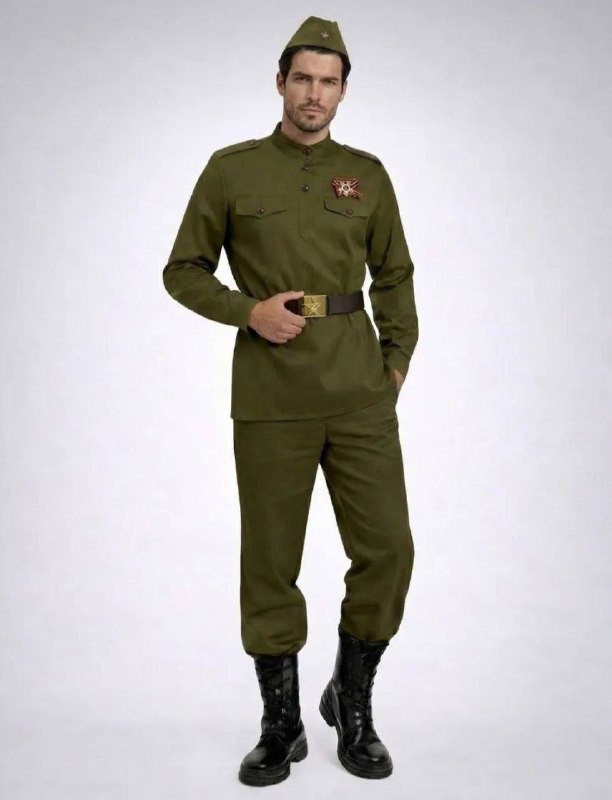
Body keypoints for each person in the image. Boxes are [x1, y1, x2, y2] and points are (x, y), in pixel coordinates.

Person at [162, 15, 419, 787]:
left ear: (343, 91)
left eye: (328, 82)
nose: (314, 94)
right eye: (302, 78)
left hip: (358, 392)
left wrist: (394, 366)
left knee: (389, 549)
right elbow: (183, 269)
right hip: (270, 395)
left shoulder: (367, 175)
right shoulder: (232, 170)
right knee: (271, 561)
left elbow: (396, 275)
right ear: (280, 83)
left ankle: (352, 700)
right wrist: (248, 311)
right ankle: (281, 723)